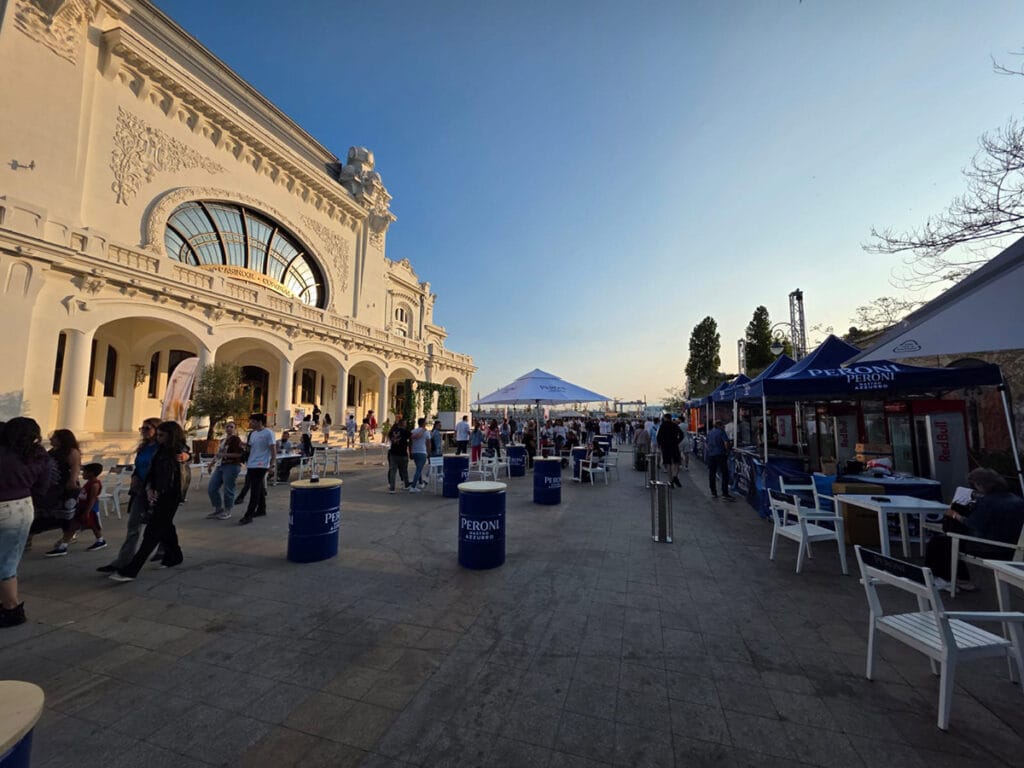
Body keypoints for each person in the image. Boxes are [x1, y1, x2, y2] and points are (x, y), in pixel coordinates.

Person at [110, 421, 188, 581]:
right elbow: (151, 471)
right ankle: (175, 555)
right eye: (158, 435)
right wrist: (150, 488)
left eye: (161, 435)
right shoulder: (159, 450)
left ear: (171, 435)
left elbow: (182, 461)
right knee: (165, 527)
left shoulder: (177, 450)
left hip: (169, 496)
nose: (158, 438)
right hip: (154, 493)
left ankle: (132, 569)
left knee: (152, 532)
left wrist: (187, 456)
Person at [925, 468, 1024, 591]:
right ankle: (961, 578)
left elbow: (973, 524)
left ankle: (948, 578)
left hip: (989, 548)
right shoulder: (1018, 500)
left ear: (979, 484)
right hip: (1012, 548)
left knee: (939, 543)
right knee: (949, 542)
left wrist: (954, 514)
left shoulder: (987, 502)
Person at [0, 417, 51, 627]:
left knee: (5, 562)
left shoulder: (5, 454)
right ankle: (9, 606)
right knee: (8, 560)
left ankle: (11, 608)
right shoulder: (38, 455)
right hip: (22, 506)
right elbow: (43, 486)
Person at [98, 417, 162, 573]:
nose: (143, 431)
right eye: (142, 428)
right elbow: (139, 466)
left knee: (159, 524)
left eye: (147, 428)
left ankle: (166, 547)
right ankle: (123, 560)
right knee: (133, 525)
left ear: (156, 430)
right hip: (140, 490)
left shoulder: (161, 448)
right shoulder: (143, 447)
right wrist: (134, 477)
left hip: (155, 491)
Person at [45, 462, 106, 556]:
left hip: (89, 509)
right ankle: (64, 546)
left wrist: (87, 511)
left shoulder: (95, 484)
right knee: (80, 525)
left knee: (90, 525)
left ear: (91, 473)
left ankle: (64, 546)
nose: (83, 474)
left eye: (84, 472)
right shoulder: (89, 483)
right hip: (82, 508)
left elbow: (92, 499)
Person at [239, 413, 276, 526]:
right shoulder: (252, 434)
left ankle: (248, 515)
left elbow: (273, 450)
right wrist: (243, 445)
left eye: (253, 421)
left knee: (254, 489)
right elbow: (250, 448)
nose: (251, 423)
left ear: (260, 422)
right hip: (252, 463)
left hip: (261, 464)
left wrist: (272, 465)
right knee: (258, 487)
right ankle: (261, 509)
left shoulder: (268, 433)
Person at [205, 421, 243, 521]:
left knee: (228, 488)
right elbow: (218, 454)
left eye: (231, 427)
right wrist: (211, 464)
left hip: (231, 465)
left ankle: (227, 510)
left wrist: (225, 455)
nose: (229, 428)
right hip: (220, 465)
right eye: (227, 427)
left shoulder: (236, 440)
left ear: (235, 429)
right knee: (212, 488)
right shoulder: (223, 440)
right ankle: (218, 508)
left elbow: (239, 454)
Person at [706, 420, 734, 500]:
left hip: (711, 455)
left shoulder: (710, 432)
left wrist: (710, 451)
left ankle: (713, 492)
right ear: (719, 425)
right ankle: (725, 493)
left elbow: (706, 443)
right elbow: (726, 443)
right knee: (724, 473)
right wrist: (727, 452)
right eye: (722, 425)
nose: (724, 427)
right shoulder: (721, 432)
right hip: (720, 454)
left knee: (712, 474)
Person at [657, 414, 684, 488]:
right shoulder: (674, 425)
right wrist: (677, 441)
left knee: (668, 463)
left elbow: (658, 437)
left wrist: (660, 444)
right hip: (674, 446)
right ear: (671, 418)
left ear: (665, 418)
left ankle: (670, 480)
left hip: (665, 447)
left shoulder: (662, 426)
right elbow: (681, 434)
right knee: (677, 462)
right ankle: (675, 476)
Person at [386, 417, 411, 493]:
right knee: (404, 470)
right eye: (405, 423)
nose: (406, 425)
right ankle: (406, 485)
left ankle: (392, 488)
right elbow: (413, 437)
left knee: (393, 471)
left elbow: (389, 437)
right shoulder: (405, 432)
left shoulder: (392, 431)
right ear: (403, 424)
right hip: (402, 453)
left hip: (393, 453)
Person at [409, 418, 429, 492]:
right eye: (425, 423)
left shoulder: (413, 431)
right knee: (418, 469)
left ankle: (421, 482)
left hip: (414, 451)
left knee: (418, 468)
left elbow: (410, 442)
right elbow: (428, 443)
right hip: (422, 451)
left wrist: (410, 451)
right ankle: (413, 486)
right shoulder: (426, 432)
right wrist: (429, 452)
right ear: (423, 423)